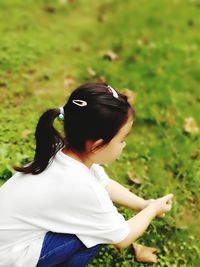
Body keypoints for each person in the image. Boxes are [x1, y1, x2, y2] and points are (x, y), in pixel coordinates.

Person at [0, 82, 173, 267]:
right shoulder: (82, 187)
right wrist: (152, 211)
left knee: (91, 229)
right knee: (92, 235)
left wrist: (144, 204)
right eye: (122, 139)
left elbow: (104, 183)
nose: (124, 145)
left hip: (8, 240)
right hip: (8, 257)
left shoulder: (62, 151)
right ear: (97, 145)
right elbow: (122, 236)